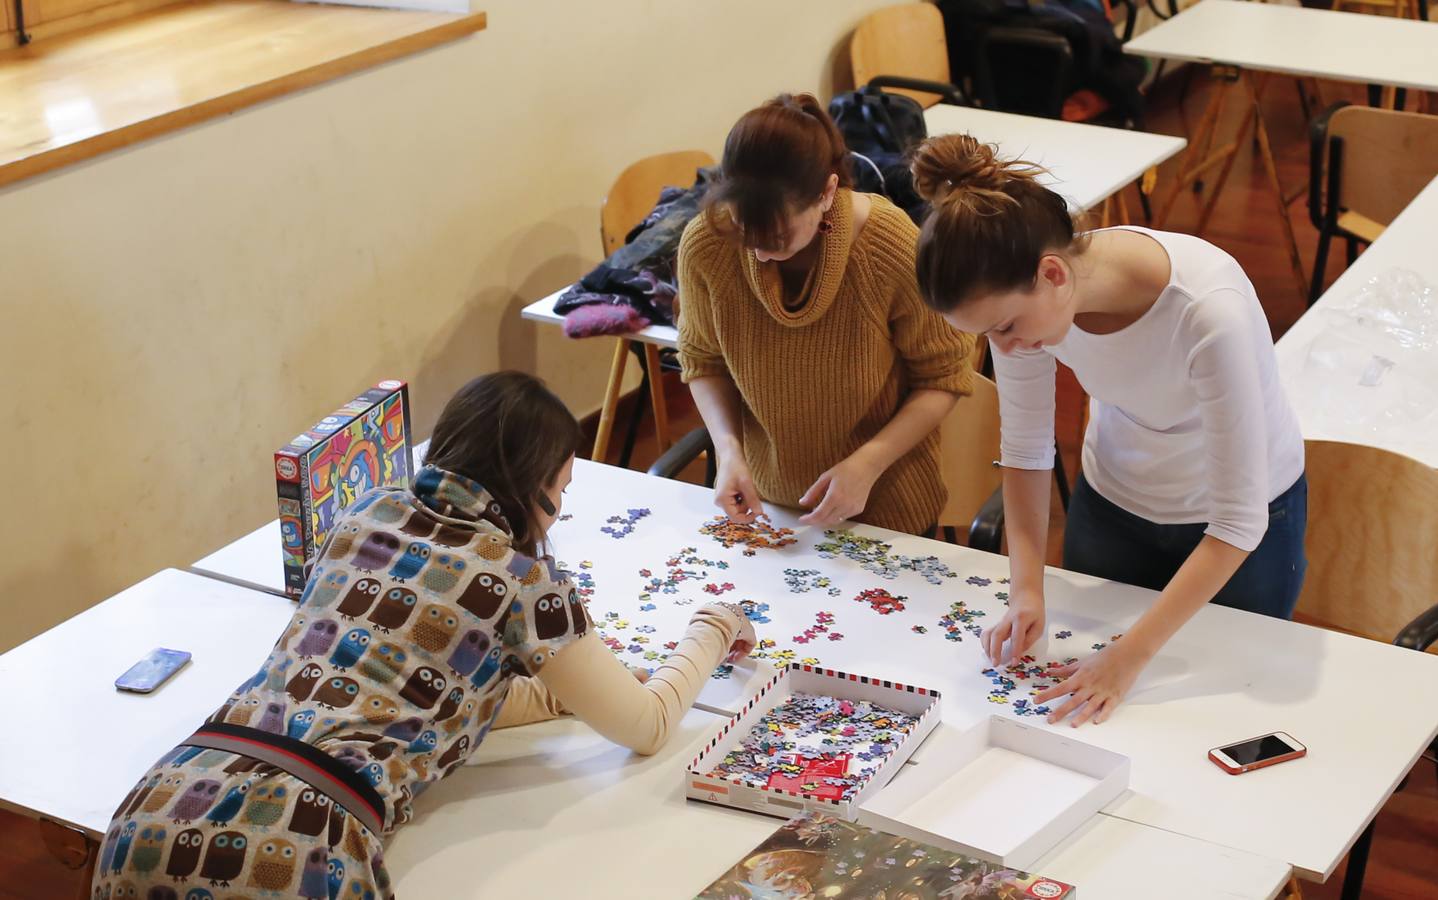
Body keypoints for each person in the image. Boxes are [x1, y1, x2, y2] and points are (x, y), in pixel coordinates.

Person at [92, 372, 754, 898]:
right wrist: (716, 624)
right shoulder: (519, 578)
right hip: (296, 841)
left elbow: (420, 684)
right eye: (559, 495)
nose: (554, 520)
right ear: (531, 490)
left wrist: (559, 693)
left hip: (159, 802)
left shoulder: (364, 515)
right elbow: (647, 726)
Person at [910, 135, 1307, 727]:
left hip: (1243, 532)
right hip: (1116, 503)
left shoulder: (1207, 312)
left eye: (1005, 327)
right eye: (988, 335)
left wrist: (1128, 657)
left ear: (1052, 274)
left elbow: (1237, 522)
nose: (1005, 348)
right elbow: (1024, 450)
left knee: (1214, 719)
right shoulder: (1026, 304)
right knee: (1103, 729)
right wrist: (1025, 589)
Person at [677, 93, 976, 536]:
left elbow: (944, 377)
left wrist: (867, 463)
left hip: (883, 508)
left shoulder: (888, 244)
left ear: (827, 192)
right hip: (769, 509)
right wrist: (728, 450)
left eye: (777, 236)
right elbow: (702, 359)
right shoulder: (707, 243)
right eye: (745, 231)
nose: (758, 253)